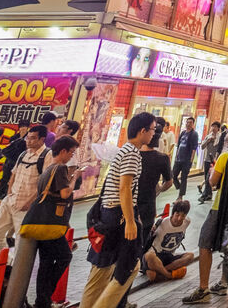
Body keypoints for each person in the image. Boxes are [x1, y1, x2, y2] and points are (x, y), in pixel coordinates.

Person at [82, 112, 155, 308]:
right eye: (153, 129)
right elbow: (125, 188)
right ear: (142, 131)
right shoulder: (132, 154)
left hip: (108, 214)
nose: (154, 134)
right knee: (130, 266)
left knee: (102, 270)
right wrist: (130, 221)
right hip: (118, 217)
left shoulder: (124, 151)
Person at [183, 121, 228, 304]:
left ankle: (203, 288)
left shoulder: (225, 156)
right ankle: (223, 283)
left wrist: (212, 172)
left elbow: (213, 182)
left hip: (219, 208)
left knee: (204, 243)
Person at [32, 136, 79, 308]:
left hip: (43, 221)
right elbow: (65, 193)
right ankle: (44, 297)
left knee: (46, 261)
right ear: (64, 151)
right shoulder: (60, 168)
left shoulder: (48, 169)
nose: (71, 156)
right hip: (51, 223)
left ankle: (42, 301)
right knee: (65, 256)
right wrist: (75, 178)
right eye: (71, 152)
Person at [0, 124, 48, 252]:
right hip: (10, 200)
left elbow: (45, 183)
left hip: (26, 206)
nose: (28, 141)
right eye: (27, 138)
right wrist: (9, 192)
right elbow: (14, 173)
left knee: (22, 241)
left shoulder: (46, 155)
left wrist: (30, 203)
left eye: (33, 138)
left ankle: (15, 269)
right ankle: (2, 264)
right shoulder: (23, 154)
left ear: (42, 139)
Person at [137, 121, 173, 250]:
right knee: (144, 240)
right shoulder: (162, 158)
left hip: (131, 205)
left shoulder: (134, 155)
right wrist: (158, 190)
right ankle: (140, 265)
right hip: (149, 204)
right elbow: (169, 182)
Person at [144, 200, 195, 282]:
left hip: (169, 256)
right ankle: (169, 275)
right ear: (173, 213)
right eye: (177, 215)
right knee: (149, 256)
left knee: (190, 256)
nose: (179, 218)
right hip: (156, 255)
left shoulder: (187, 222)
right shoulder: (162, 223)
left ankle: (161, 273)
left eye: (183, 216)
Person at [172, 117, 199, 200]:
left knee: (184, 178)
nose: (188, 124)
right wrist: (176, 156)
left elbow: (194, 148)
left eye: (190, 122)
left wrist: (191, 160)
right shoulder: (183, 133)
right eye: (187, 122)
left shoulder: (194, 134)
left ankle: (180, 196)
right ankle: (180, 188)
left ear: (193, 124)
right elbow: (179, 145)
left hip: (186, 160)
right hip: (179, 159)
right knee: (173, 175)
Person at [198, 122, 222, 203]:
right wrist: (208, 141)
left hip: (214, 160)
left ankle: (204, 195)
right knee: (206, 177)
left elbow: (220, 148)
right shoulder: (208, 136)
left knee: (209, 178)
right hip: (206, 159)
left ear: (218, 128)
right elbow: (202, 146)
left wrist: (215, 140)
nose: (213, 128)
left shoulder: (220, 137)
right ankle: (209, 194)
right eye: (212, 126)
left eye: (215, 126)